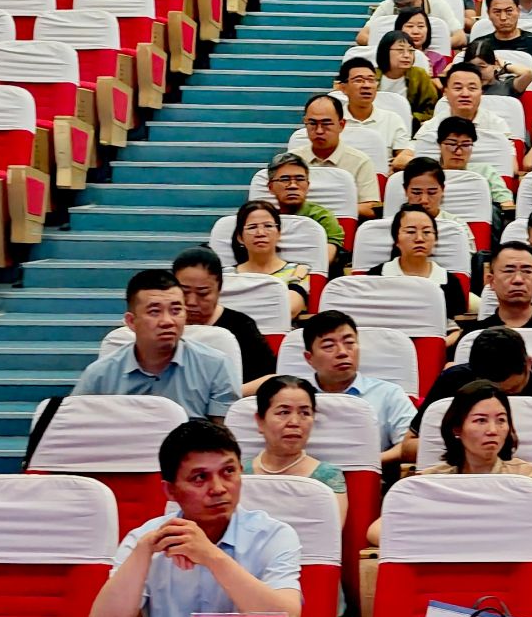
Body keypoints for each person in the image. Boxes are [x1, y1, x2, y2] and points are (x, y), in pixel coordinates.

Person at [88, 420, 302, 617]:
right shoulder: (144, 540)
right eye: (200, 477)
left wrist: (211, 556)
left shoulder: (273, 536)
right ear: (170, 490)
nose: (218, 488)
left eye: (228, 471)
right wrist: (143, 552)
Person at [391, 381, 532, 568]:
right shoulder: (432, 480)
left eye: (501, 420)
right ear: (457, 428)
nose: (493, 430)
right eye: (481, 420)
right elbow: (381, 529)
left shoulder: (525, 476)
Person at [408, 329, 532, 463]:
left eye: (512, 391)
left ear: (528, 364)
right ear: (473, 372)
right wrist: (474, 452)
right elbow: (409, 445)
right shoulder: (453, 380)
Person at [293, 310, 417, 464]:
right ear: (309, 358)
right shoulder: (294, 397)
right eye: (329, 346)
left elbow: (410, 445)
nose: (342, 352)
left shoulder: (389, 394)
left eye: (349, 343)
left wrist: (365, 464)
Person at [244, 376, 348, 520]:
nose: (294, 422)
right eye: (284, 412)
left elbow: (329, 531)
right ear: (260, 421)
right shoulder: (239, 473)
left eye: (305, 413)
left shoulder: (328, 477)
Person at [173, 247, 277, 387]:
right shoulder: (162, 324)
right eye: (184, 291)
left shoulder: (241, 326)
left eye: (203, 293)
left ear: (219, 289)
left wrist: (230, 394)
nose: (191, 302)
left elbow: (270, 378)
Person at [453, 241, 532, 346]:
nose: (518, 280)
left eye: (527, 271)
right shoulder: (474, 334)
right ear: (491, 281)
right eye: (509, 271)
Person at [364, 204, 468, 319]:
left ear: (435, 240)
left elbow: (456, 324)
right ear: (396, 239)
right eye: (411, 232)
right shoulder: (375, 277)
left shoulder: (450, 283)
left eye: (427, 232)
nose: (419, 238)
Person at [299, 94, 382, 219]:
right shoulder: (293, 160)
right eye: (312, 123)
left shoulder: (360, 161)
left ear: (341, 125)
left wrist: (328, 211)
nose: (319, 130)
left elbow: (371, 208)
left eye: (326, 123)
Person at [227, 199, 308, 321]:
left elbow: (289, 310)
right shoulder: (226, 276)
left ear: (279, 233)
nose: (260, 233)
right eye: (252, 227)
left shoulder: (298, 272)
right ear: (240, 237)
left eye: (268, 226)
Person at [414, 63, 515, 161]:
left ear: (481, 93)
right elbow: (407, 157)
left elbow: (512, 165)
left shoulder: (497, 126)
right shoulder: (430, 128)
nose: (465, 94)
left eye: (472, 88)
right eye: (458, 88)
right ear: (445, 93)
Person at [335, 57, 415, 172]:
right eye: (359, 80)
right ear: (343, 88)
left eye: (371, 80)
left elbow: (402, 155)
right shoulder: (333, 121)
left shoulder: (392, 119)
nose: (366, 85)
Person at [472, 0, 532, 90]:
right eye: (497, 12)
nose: (503, 17)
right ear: (489, 14)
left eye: (509, 11)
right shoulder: (479, 45)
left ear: (518, 11)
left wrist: (525, 84)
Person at [433, 115, 512, 213]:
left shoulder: (485, 172)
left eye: (466, 145)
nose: (458, 152)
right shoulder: (428, 173)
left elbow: (506, 202)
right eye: (452, 144)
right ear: (439, 145)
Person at [399, 155, 470, 245]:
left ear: (442, 190)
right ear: (405, 190)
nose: (424, 200)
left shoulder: (457, 226)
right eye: (416, 193)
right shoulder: (395, 225)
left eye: (432, 192)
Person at [375, 30, 440, 124]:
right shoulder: (371, 75)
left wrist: (412, 118)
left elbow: (431, 110)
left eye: (411, 51)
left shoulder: (419, 75)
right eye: (400, 50)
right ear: (385, 51)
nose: (407, 55)